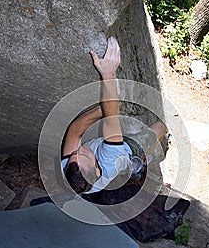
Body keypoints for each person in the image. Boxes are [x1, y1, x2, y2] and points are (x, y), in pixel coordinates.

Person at [61, 36, 167, 194]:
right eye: (84, 154)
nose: (80, 148)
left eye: (74, 154)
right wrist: (109, 74)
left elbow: (75, 130)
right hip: (123, 154)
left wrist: (101, 110)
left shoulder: (69, 168)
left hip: (94, 173)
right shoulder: (110, 160)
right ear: (97, 170)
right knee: (160, 127)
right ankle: (138, 163)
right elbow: (112, 120)